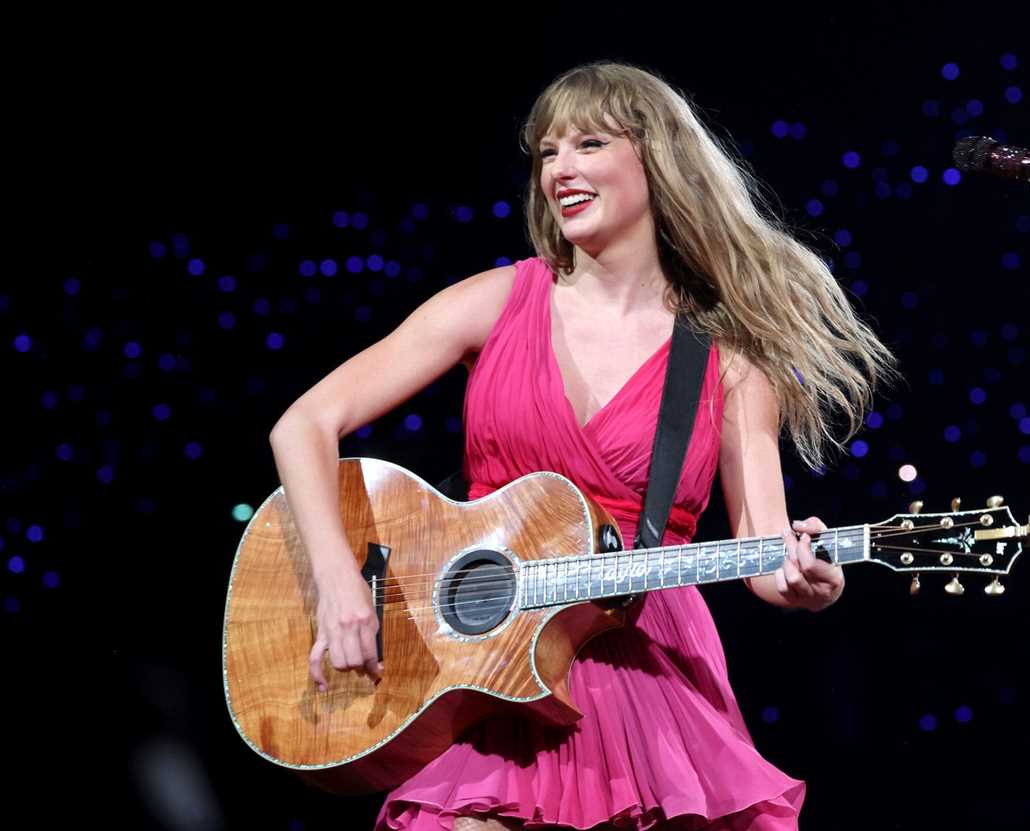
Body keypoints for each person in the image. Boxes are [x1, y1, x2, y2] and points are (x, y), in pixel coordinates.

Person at [267, 62, 895, 831]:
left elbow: (763, 547)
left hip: (643, 666)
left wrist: (803, 578)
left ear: (656, 160)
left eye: (588, 143)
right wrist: (338, 584)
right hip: (491, 663)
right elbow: (304, 422)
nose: (560, 169)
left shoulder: (727, 357)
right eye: (546, 153)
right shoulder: (495, 300)